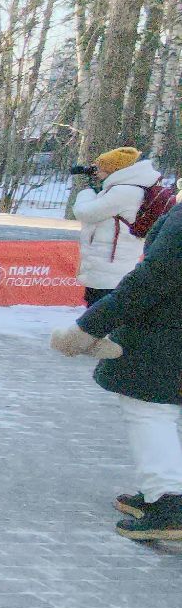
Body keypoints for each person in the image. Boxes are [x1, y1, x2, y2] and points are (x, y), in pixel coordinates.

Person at [53, 204, 182, 541]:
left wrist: (90, 326)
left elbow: (154, 279)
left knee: (150, 410)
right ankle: (163, 490)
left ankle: (168, 500)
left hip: (168, 332)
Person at [72, 145, 160, 305]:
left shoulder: (124, 192)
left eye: (100, 169)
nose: (96, 173)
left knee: (100, 309)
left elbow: (84, 212)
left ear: (114, 170)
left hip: (109, 267)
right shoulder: (134, 187)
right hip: (113, 262)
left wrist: (86, 192)